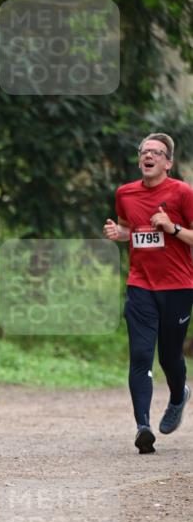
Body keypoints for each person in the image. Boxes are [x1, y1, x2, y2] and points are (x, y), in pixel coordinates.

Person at [103, 132, 193, 453]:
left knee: (170, 356)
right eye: (144, 151)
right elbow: (132, 229)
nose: (148, 156)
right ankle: (143, 427)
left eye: (155, 152)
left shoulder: (183, 193)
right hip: (140, 285)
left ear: (168, 162)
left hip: (178, 286)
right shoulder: (125, 193)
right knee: (141, 355)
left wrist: (173, 228)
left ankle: (179, 394)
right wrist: (120, 233)